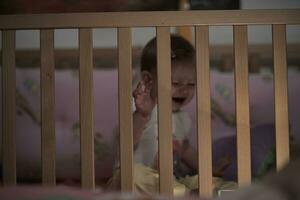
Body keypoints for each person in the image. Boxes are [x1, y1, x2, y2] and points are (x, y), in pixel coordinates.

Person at [108, 35, 236, 196]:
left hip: (172, 182)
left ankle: (219, 193)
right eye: (175, 83)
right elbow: (127, 140)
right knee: (133, 175)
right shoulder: (140, 107)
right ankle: (189, 195)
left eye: (191, 84)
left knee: (211, 183)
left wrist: (209, 170)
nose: (184, 90)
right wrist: (142, 115)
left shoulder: (183, 119)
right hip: (137, 184)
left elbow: (185, 150)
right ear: (148, 80)